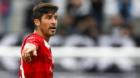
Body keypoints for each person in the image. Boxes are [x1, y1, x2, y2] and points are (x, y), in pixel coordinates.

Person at [19, 2, 58, 78]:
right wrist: (29, 49)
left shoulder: (45, 45)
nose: (54, 22)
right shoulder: (35, 38)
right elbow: (32, 43)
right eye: (49, 17)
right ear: (37, 22)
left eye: (55, 18)